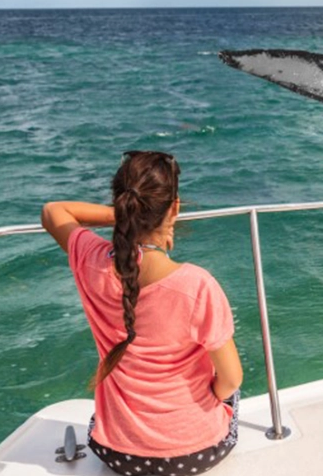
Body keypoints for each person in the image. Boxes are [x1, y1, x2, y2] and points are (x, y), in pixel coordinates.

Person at [42, 150, 243, 474]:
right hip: (197, 451)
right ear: (174, 209)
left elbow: (53, 211)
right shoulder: (197, 285)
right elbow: (231, 380)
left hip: (117, 453)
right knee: (229, 384)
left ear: (122, 205)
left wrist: (124, 218)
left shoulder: (90, 260)